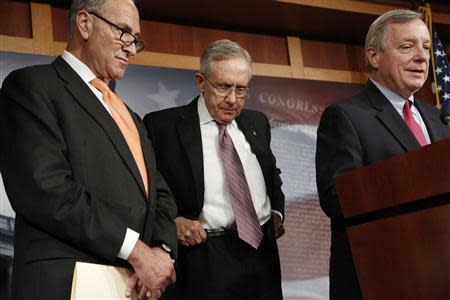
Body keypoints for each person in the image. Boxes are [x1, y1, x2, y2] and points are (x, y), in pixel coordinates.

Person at [0, 0, 177, 299]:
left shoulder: (130, 115)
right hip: (68, 281)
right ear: (85, 24)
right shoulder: (31, 87)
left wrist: (159, 252)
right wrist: (136, 251)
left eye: (135, 38)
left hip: (135, 285)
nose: (131, 48)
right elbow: (47, 190)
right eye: (123, 32)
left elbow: (160, 195)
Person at [316, 9, 450, 300]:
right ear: (374, 56)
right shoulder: (345, 117)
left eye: (426, 47)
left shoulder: (439, 119)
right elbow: (337, 198)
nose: (422, 56)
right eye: (407, 46)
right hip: (379, 280)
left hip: (438, 275)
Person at [143, 39, 285, 300]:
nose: (232, 99)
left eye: (241, 89)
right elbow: (145, 189)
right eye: (223, 87)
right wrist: (171, 222)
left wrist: (276, 211)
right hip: (202, 257)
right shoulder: (162, 127)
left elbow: (270, 173)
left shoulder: (257, 122)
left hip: (261, 255)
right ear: (200, 82)